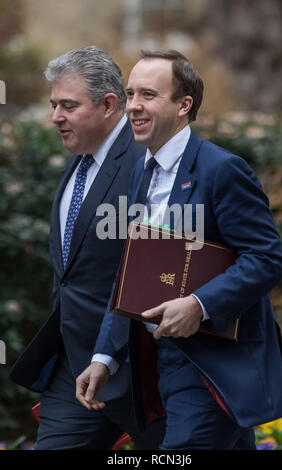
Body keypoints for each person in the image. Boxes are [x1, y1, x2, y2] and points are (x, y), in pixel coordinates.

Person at [76, 49, 282, 450]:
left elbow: (266, 258)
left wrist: (198, 304)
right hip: (158, 368)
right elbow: (132, 274)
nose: (134, 106)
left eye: (148, 95)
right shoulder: (141, 171)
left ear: (183, 105)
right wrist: (104, 357)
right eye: (130, 94)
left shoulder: (221, 169)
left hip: (211, 368)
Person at [10, 46, 165, 450]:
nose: (55, 116)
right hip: (73, 368)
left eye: (67, 105)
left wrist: (110, 355)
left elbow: (159, 268)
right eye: (53, 105)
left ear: (109, 104)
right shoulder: (79, 157)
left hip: (144, 371)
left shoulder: (146, 162)